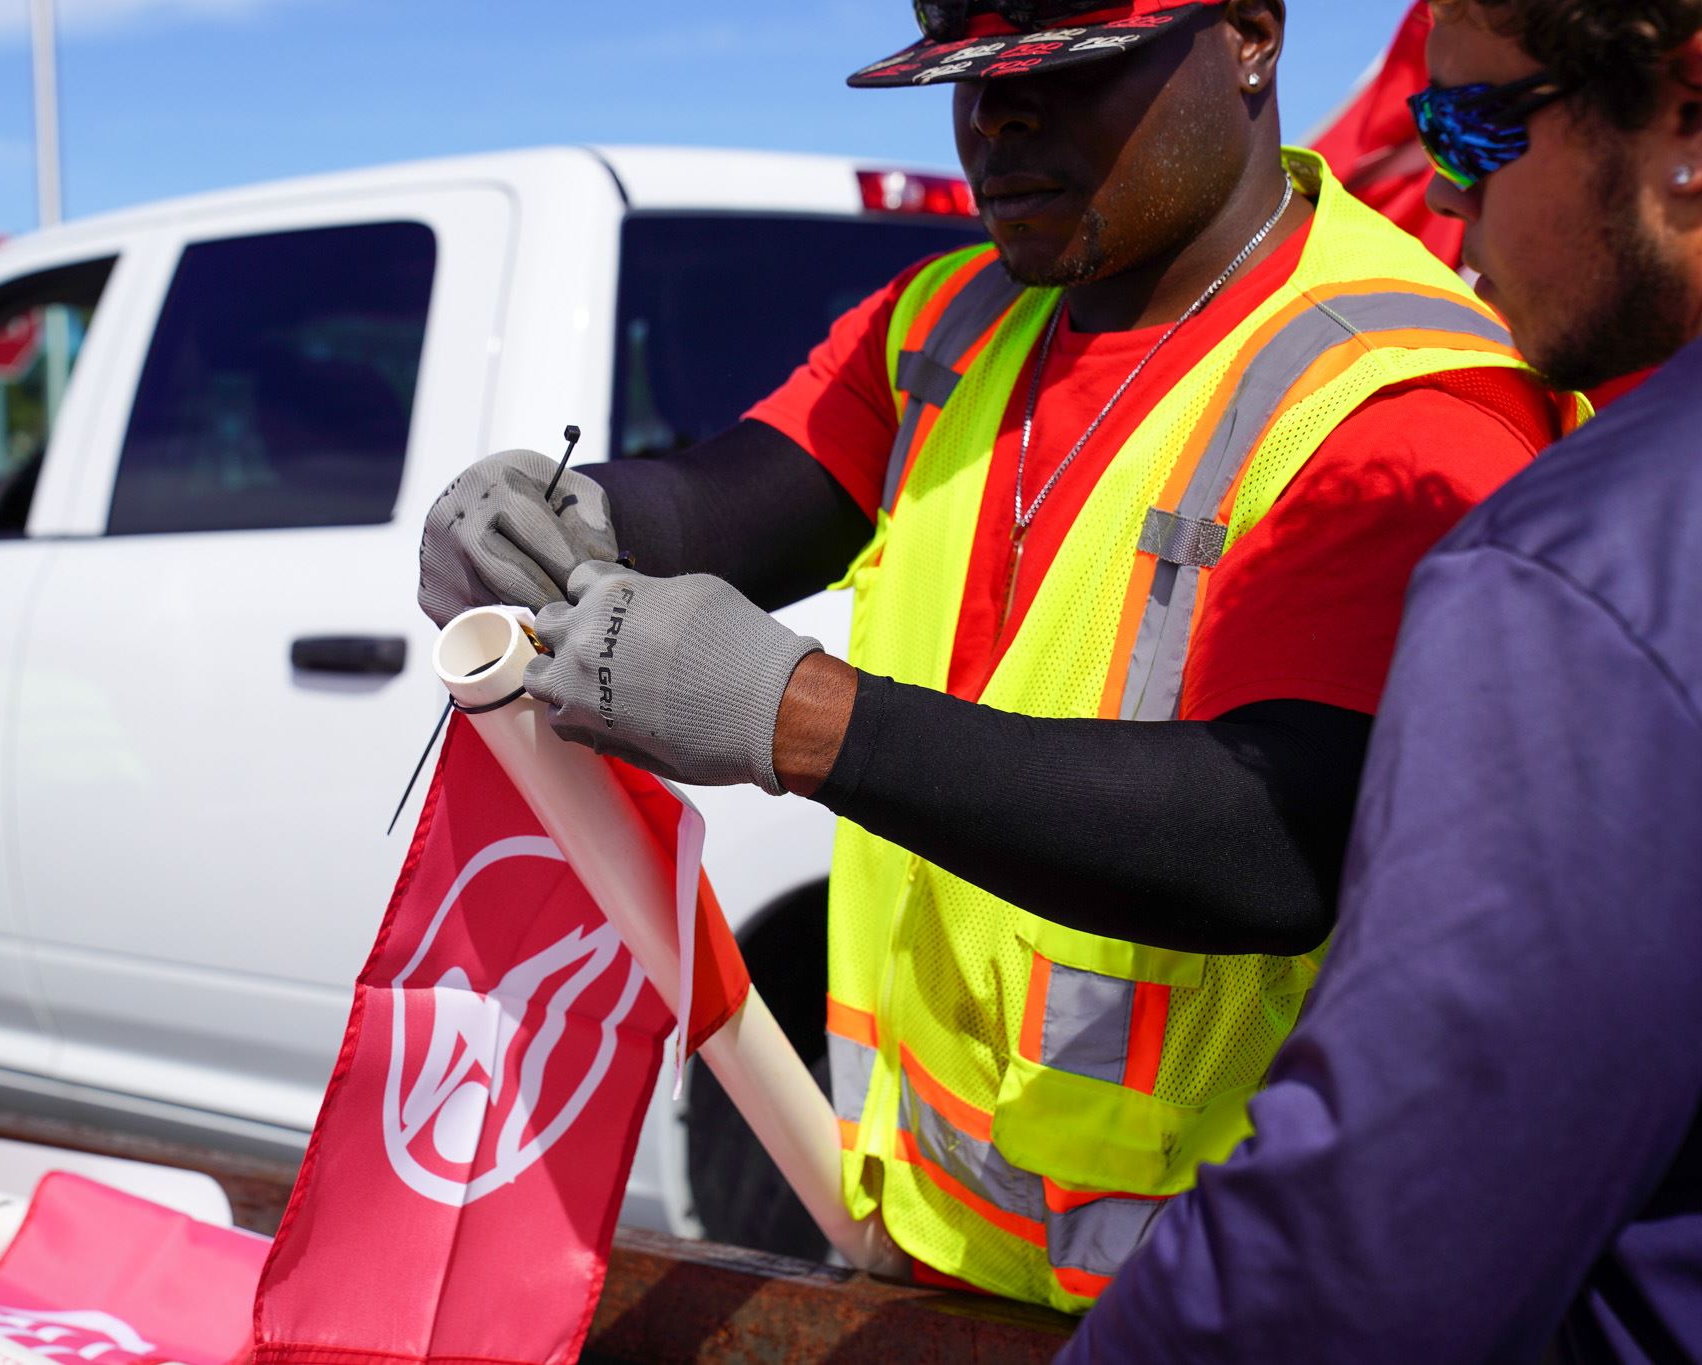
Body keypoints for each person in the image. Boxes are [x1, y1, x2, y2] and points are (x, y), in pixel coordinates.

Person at [418, 0, 1578, 1312]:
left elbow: (1279, 835)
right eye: (968, 79)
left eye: (1066, 68)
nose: (998, 119)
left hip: (1232, 1295)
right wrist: (577, 520)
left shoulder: (1397, 394)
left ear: (1250, 32)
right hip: (945, 1248)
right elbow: (735, 500)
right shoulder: (950, 327)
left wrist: (801, 716)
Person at [1058, 1, 1702, 1359]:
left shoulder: (1581, 576)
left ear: (1688, 118)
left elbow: (1365, 1263)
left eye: (1473, 124)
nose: (1444, 188)